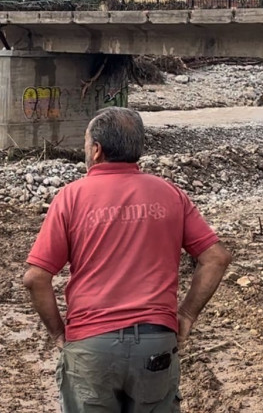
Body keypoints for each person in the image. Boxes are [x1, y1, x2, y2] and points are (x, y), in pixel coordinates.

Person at [23, 107, 232, 413]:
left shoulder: (70, 198)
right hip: (155, 343)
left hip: (91, 345)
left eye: (85, 142)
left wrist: (58, 334)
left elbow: (35, 278)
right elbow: (216, 258)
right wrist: (185, 315)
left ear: (96, 150)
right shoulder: (170, 194)